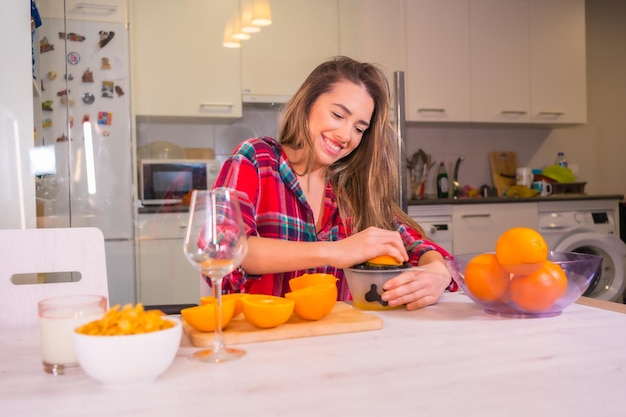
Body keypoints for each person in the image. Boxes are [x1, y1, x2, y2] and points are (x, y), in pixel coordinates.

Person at [214, 56, 457, 310]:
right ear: (308, 103)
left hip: (337, 340)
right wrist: (336, 251)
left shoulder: (350, 188)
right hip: (260, 340)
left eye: (359, 129)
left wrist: (438, 272)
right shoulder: (256, 158)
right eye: (338, 114)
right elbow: (226, 249)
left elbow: (414, 245)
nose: (345, 136)